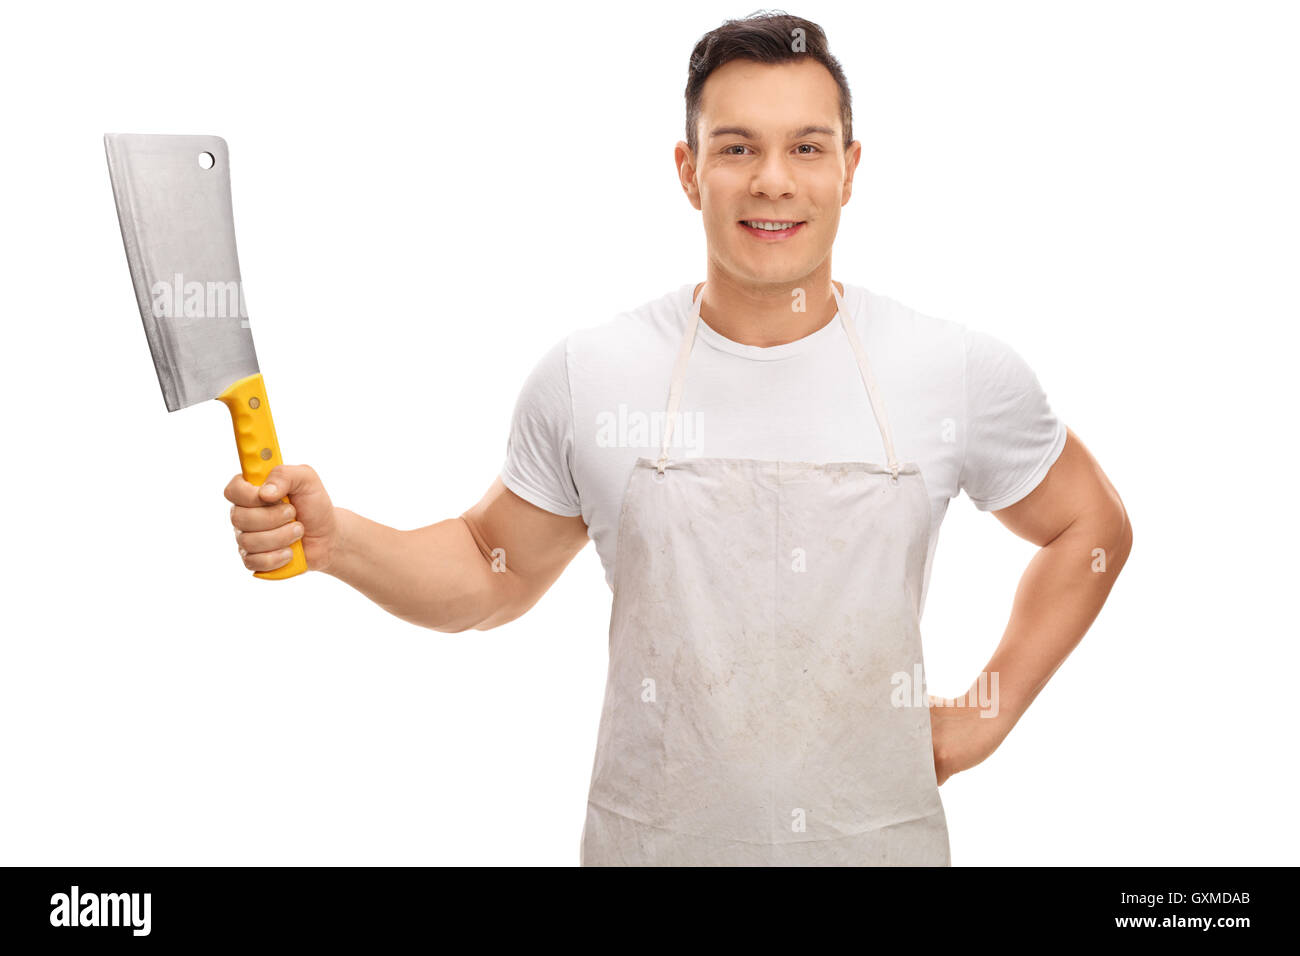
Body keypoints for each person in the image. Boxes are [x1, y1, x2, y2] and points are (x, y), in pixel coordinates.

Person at [225, 12, 1132, 866]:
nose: (772, 179)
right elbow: (487, 569)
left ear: (850, 169)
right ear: (689, 170)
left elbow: (1090, 526)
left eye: (806, 148)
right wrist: (337, 542)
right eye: (736, 148)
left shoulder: (949, 370)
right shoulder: (596, 373)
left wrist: (986, 711)